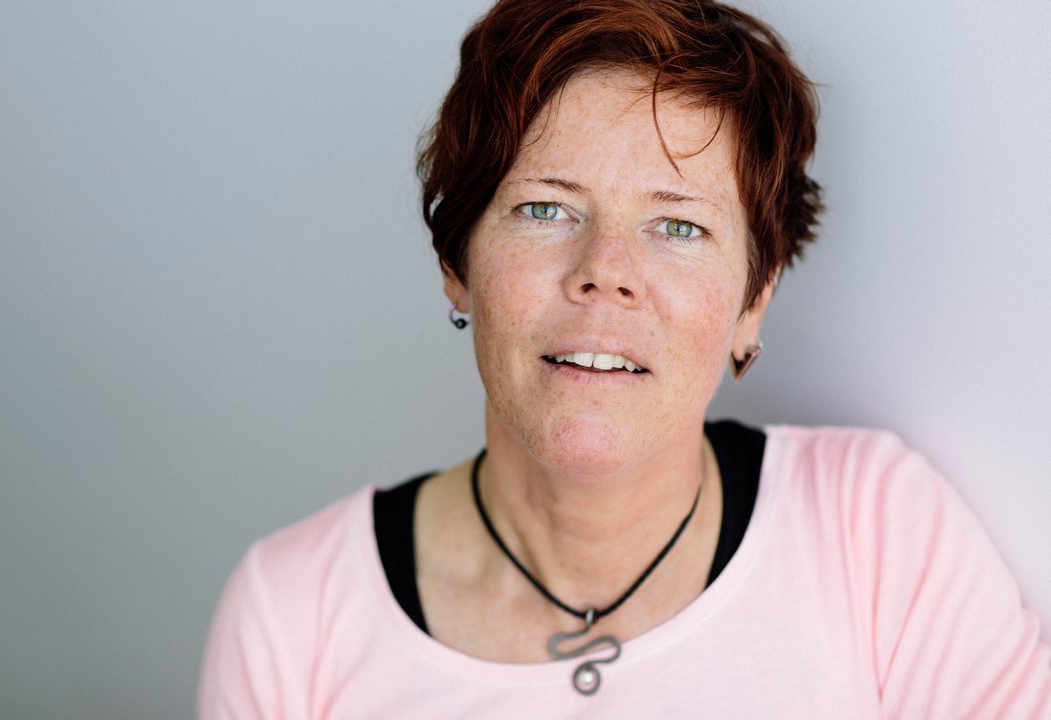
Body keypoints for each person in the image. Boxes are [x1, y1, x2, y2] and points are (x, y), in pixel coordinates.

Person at [198, 0, 1051, 716]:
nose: (605, 272)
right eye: (545, 209)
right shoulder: (293, 615)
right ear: (456, 262)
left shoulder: (876, 531)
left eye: (678, 225)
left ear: (754, 300)